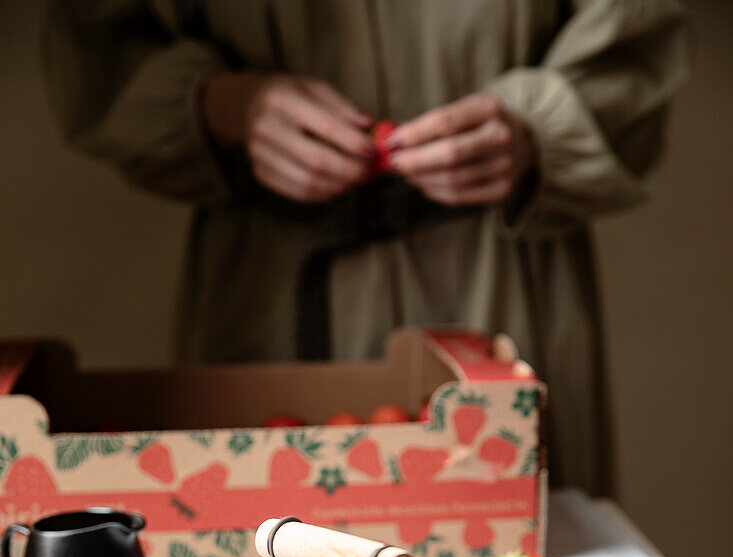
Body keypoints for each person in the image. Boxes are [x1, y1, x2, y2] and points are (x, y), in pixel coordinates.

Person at [42, 1, 689, 492]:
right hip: (266, 283)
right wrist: (224, 104)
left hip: (496, 276)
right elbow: (94, 38)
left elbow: (638, 28)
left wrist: (532, 127)